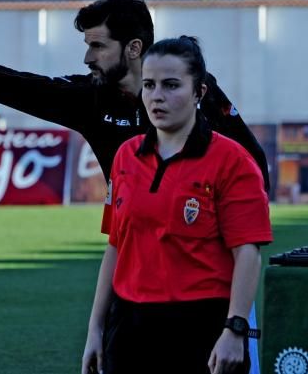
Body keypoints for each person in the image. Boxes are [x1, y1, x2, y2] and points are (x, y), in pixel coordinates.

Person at [0, 0, 269, 189]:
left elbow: (253, 166)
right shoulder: (91, 100)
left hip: (205, 269)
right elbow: (21, 86)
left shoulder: (196, 90)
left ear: (134, 48)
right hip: (133, 265)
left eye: (97, 46)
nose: (87, 57)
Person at [82, 37, 271, 374]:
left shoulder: (233, 161)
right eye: (149, 85)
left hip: (200, 327)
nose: (157, 96)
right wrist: (95, 328)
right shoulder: (126, 156)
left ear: (199, 93)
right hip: (128, 328)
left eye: (171, 85)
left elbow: (247, 252)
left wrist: (234, 329)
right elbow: (115, 245)